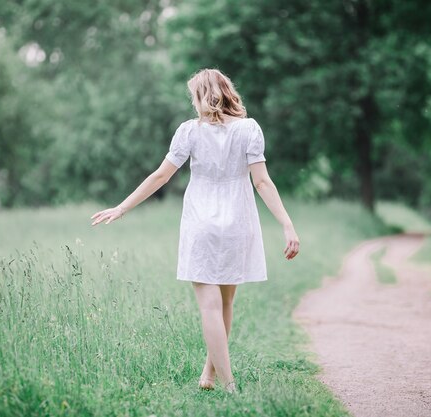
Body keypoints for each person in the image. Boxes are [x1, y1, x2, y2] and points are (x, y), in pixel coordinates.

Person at [91, 68, 300, 393]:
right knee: (226, 304)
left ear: (203, 96)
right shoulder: (249, 129)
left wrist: (122, 207)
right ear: (227, 92)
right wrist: (287, 224)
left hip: (201, 221)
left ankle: (226, 383)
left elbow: (161, 177)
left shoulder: (189, 132)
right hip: (237, 221)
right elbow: (261, 182)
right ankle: (210, 374)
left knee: (210, 307)